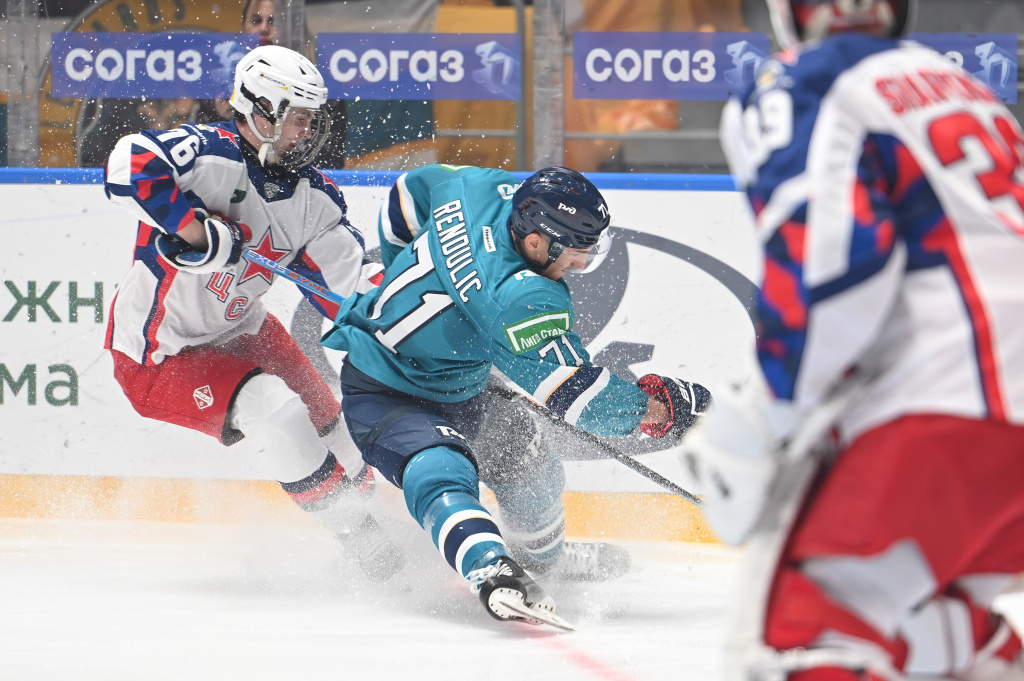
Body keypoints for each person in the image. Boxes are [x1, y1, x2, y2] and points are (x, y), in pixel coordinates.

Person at [684, 0, 1024, 679]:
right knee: (917, 614)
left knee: (803, 633)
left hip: (952, 405)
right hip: (992, 421)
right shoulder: (961, 83)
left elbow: (833, 268)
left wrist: (766, 412)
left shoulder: (803, 81)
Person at [321, 163, 712, 626]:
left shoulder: (482, 187)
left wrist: (399, 272)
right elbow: (581, 397)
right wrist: (663, 409)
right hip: (386, 390)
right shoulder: (521, 297)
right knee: (440, 468)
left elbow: (408, 193)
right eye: (576, 252)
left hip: (466, 386)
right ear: (536, 241)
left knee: (530, 465)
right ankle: (491, 567)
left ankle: (545, 561)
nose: (581, 264)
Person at [102, 45, 400, 579]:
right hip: (159, 354)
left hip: (245, 329)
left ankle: (387, 527)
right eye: (298, 118)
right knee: (276, 413)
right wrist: (196, 230)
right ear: (261, 110)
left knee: (337, 430)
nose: (308, 132)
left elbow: (351, 289)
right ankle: (367, 547)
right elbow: (129, 163)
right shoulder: (208, 156)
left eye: (312, 119)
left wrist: (413, 314)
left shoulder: (314, 199)